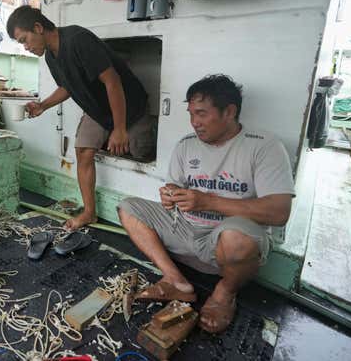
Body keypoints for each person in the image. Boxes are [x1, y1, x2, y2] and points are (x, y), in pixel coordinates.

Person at [117, 74, 295, 334]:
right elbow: (174, 187)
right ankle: (176, 281)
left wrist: (208, 201)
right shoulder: (186, 145)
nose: (194, 123)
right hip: (185, 230)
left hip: (224, 242)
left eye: (201, 113)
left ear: (229, 111)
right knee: (128, 208)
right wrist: (171, 195)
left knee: (236, 238)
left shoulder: (264, 146)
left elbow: (279, 212)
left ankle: (224, 292)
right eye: (191, 114)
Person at [7, 5, 155, 230]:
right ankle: (89, 213)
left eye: (24, 40)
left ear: (38, 28)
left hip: (130, 107)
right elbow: (67, 87)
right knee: (83, 150)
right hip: (97, 110)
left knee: (138, 153)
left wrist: (120, 128)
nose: (26, 47)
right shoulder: (51, 57)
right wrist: (42, 106)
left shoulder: (78, 39)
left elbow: (112, 81)